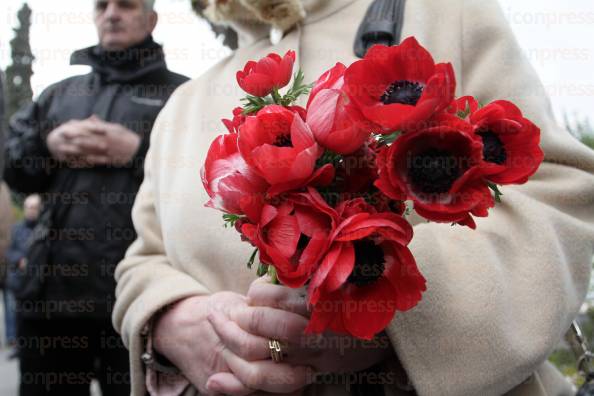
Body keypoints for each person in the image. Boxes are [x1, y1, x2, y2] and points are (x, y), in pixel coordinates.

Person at [112, 0, 594, 395]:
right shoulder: (182, 104)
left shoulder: (447, 13)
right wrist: (174, 320)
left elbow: (557, 194)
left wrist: (389, 315)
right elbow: (143, 259)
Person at [3, 0, 188, 394]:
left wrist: (138, 152)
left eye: (126, 4)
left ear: (151, 18)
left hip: (141, 303)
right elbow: (14, 171)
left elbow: (206, 186)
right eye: (102, 5)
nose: (112, 13)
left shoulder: (181, 96)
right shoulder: (57, 95)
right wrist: (46, 144)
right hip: (51, 302)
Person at [4, 194, 41, 358]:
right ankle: (16, 344)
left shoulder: (44, 228)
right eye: (29, 207)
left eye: (34, 208)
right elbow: (9, 251)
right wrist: (20, 259)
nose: (31, 211)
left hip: (37, 281)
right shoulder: (16, 229)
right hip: (18, 280)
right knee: (14, 313)